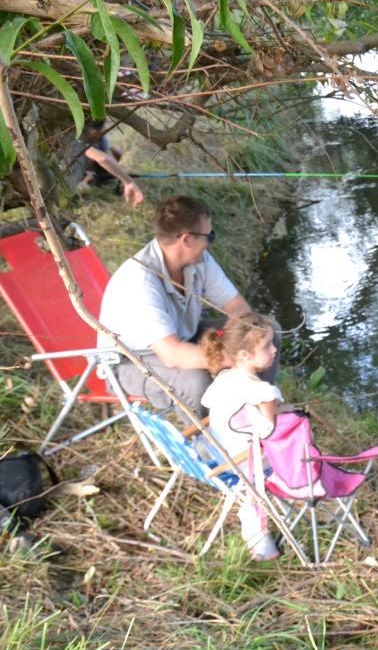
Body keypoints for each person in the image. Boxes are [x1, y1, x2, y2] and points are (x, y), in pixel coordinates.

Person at [98, 195, 279, 418]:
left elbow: (237, 307)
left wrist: (247, 341)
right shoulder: (140, 280)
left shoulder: (199, 259)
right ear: (186, 240)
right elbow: (172, 355)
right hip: (129, 362)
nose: (211, 242)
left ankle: (258, 409)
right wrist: (239, 358)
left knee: (263, 332)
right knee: (195, 382)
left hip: (182, 338)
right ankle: (209, 445)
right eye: (209, 236)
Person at [199, 312, 282, 561]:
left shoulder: (224, 376)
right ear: (245, 355)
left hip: (218, 455)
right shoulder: (264, 392)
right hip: (244, 464)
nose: (275, 350)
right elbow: (271, 432)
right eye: (267, 346)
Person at [82, 119, 144, 207]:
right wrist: (128, 181)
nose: (105, 129)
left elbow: (109, 156)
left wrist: (120, 176)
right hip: (83, 166)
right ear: (94, 133)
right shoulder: (79, 141)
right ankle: (87, 180)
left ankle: (104, 178)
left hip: (97, 166)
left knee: (117, 151)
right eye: (103, 128)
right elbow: (102, 158)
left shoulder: (102, 138)